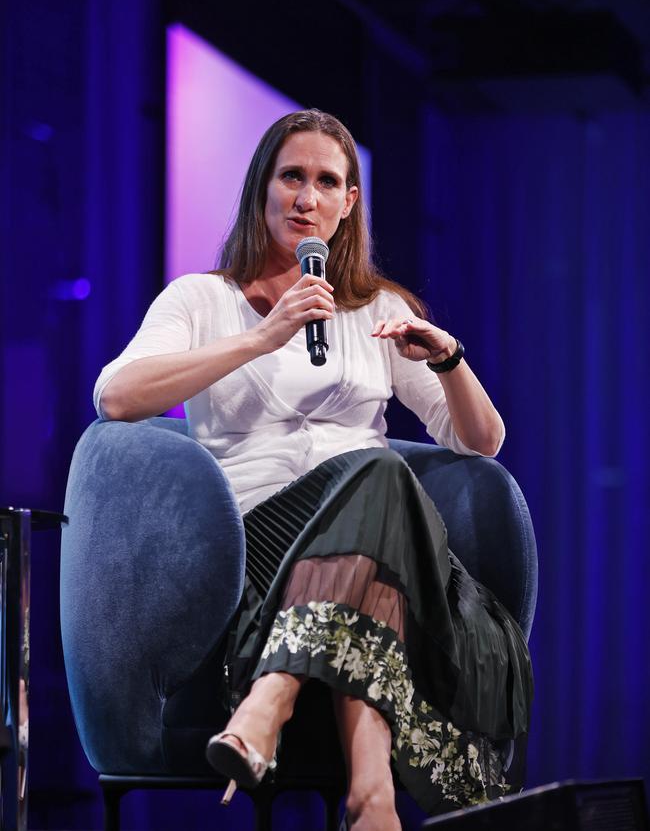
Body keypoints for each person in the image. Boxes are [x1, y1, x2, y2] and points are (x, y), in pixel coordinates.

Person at [94, 109, 533, 830]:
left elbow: (482, 441)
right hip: (256, 553)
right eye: (291, 177)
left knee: (378, 480)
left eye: (327, 181)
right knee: (382, 475)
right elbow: (116, 395)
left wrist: (449, 358)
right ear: (261, 189)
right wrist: (264, 336)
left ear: (349, 202)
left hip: (371, 552)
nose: (307, 198)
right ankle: (371, 793)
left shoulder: (379, 309)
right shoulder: (202, 300)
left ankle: (275, 704)